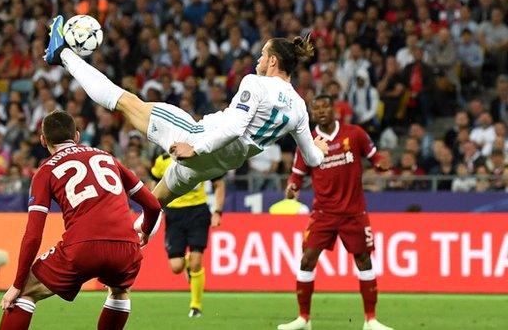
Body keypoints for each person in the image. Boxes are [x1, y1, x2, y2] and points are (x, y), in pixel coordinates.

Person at [44, 15, 328, 207]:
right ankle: (128, 251)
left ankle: (63, 54)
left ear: (274, 61)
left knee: (127, 102)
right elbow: (313, 159)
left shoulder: (256, 83)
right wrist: (320, 148)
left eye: (264, 54)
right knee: (153, 207)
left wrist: (197, 148)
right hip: (216, 166)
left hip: (198, 140)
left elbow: (234, 128)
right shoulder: (299, 107)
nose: (259, 58)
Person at [0, 110, 162, 330]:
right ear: (76, 136)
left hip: (82, 248)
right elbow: (153, 205)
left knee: (25, 293)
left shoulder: (46, 171)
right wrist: (145, 230)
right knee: (120, 291)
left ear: (43, 140)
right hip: (126, 246)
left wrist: (17, 284)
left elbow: (34, 234)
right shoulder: (108, 158)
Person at [278, 95, 393, 330]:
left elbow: (374, 156)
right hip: (323, 213)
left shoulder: (355, 134)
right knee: (307, 259)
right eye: (315, 108)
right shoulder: (308, 141)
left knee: (363, 260)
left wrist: (381, 162)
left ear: (335, 110)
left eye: (324, 107)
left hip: (353, 212)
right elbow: (297, 175)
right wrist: (292, 187)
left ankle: (371, 320)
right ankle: (303, 319)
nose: (320, 111)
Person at [149, 152, 225, 318]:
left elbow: (219, 184)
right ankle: (188, 263)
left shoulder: (202, 156)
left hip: (198, 211)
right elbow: (153, 185)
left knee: (197, 261)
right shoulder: (162, 161)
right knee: (176, 267)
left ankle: (195, 306)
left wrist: (218, 211)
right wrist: (153, 209)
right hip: (173, 214)